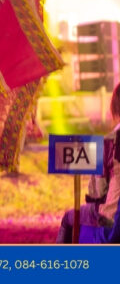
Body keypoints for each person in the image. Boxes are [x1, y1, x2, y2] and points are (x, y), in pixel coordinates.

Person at [56, 83, 120, 243]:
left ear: (115, 107)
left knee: (68, 218)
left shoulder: (109, 142)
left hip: (111, 216)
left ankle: (60, 258)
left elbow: (98, 192)